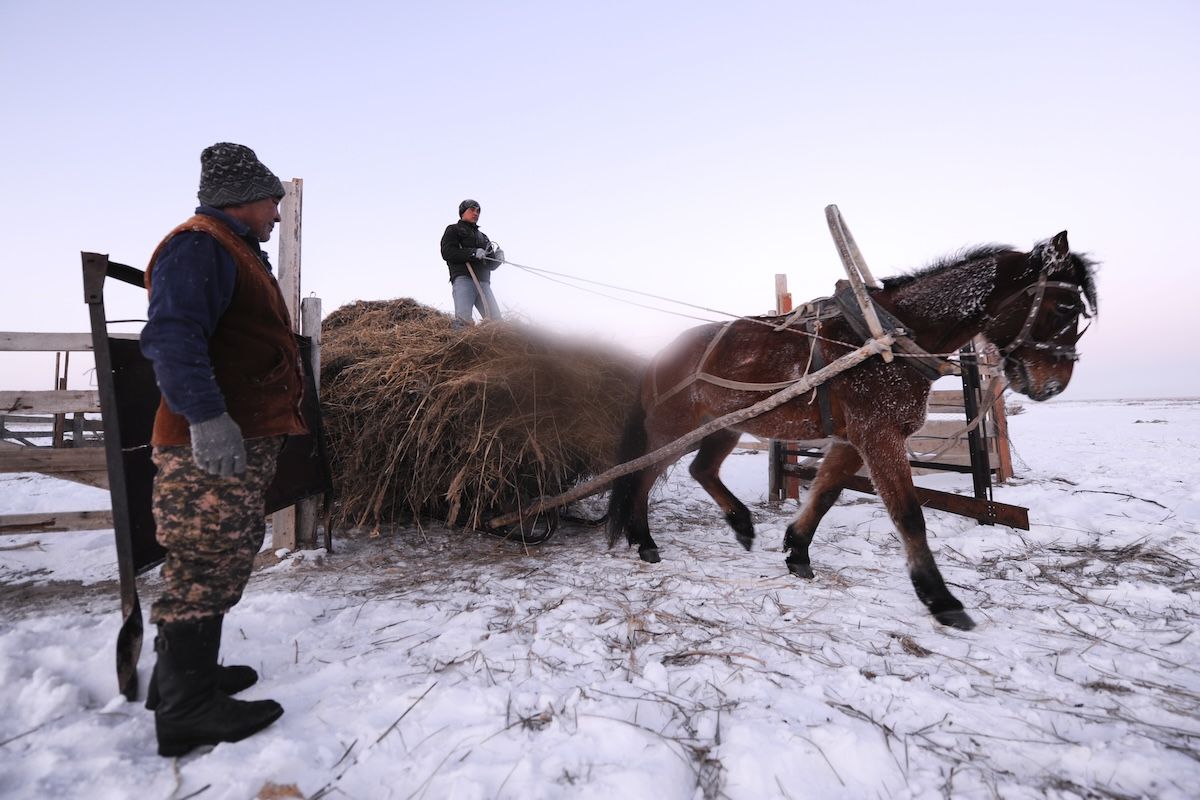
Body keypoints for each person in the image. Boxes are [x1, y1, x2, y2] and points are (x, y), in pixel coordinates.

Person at [139, 142, 307, 757]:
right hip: (204, 447)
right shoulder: (199, 245)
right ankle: (187, 712)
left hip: (231, 440)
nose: (278, 216)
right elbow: (173, 336)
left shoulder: (230, 249)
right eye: (273, 203)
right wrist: (207, 419)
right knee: (205, 563)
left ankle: (181, 679)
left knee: (219, 557)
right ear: (243, 198)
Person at [440, 198, 505, 327]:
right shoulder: (453, 229)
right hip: (464, 279)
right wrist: (472, 253)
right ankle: (460, 345)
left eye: (478, 211)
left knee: (497, 324)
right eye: (472, 210)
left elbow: (491, 265)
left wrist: (498, 258)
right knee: (464, 320)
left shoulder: (484, 237)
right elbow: (447, 252)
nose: (476, 213)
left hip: (484, 283)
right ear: (462, 212)